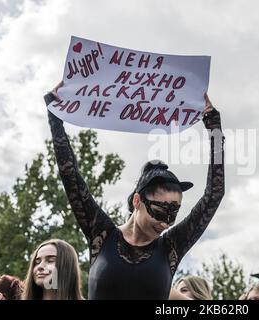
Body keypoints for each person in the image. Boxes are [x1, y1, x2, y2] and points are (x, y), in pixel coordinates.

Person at [45, 81, 225, 299]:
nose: (165, 223)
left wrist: (214, 127)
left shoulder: (171, 247)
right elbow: (70, 176)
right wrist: (55, 116)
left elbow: (214, 194)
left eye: (173, 213)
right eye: (159, 211)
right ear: (137, 201)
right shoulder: (101, 234)